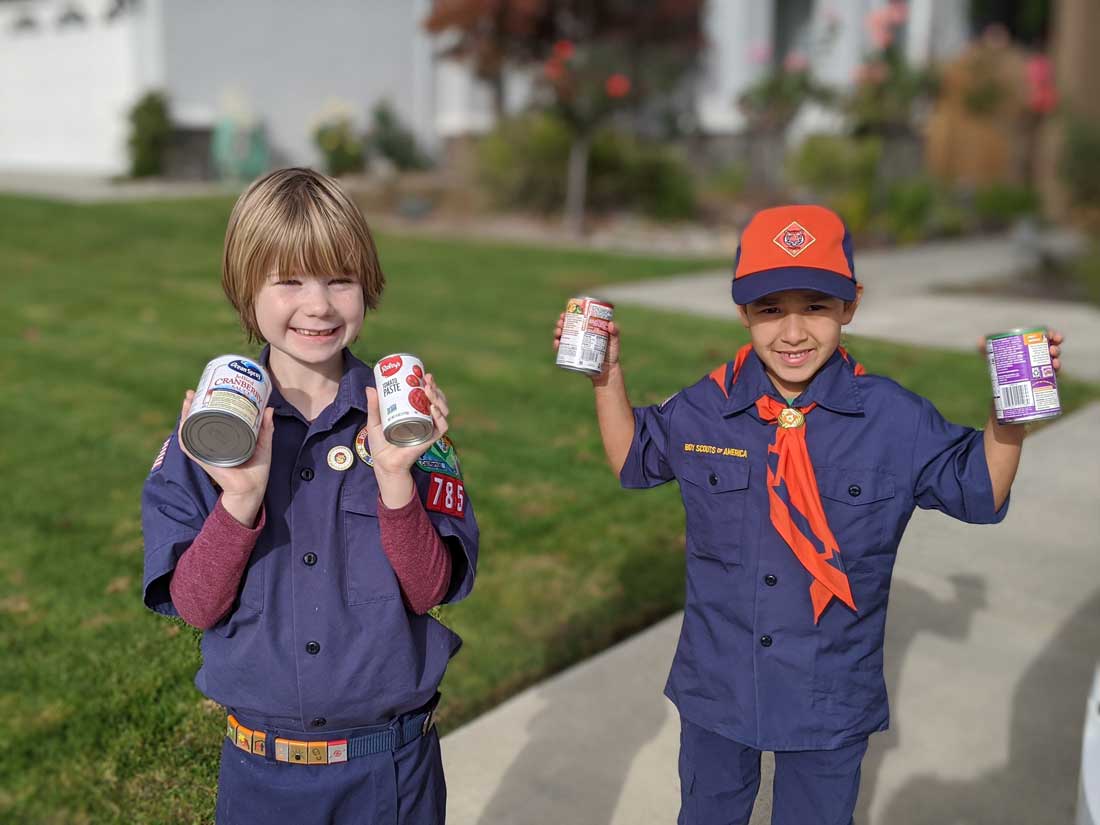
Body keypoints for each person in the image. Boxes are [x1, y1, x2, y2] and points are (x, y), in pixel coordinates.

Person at [554, 204, 1063, 825]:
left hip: (830, 692)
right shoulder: (709, 405)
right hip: (720, 681)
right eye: (770, 310)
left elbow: (978, 492)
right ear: (743, 311)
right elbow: (635, 460)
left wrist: (1009, 416)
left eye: (816, 307)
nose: (792, 333)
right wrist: (606, 378)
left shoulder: (892, 418)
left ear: (850, 305)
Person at [142, 167, 477, 825]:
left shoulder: (404, 419)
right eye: (289, 280)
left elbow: (430, 588)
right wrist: (237, 500)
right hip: (263, 774)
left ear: (367, 285)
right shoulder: (206, 436)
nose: (319, 305)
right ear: (247, 290)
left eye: (339, 279)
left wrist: (395, 479)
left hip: (391, 772)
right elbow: (194, 603)